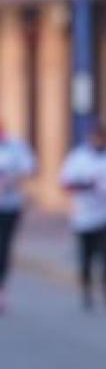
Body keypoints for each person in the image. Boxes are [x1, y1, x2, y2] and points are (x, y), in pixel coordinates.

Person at [60, 122, 106, 309]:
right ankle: (87, 292)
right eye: (96, 138)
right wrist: (89, 185)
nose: (99, 141)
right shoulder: (79, 157)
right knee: (86, 256)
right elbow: (66, 183)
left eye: (103, 138)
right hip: (85, 217)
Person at [0, 122, 36, 314]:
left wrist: (12, 178)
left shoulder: (16, 146)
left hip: (8, 206)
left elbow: (29, 167)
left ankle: (1, 288)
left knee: (3, 247)